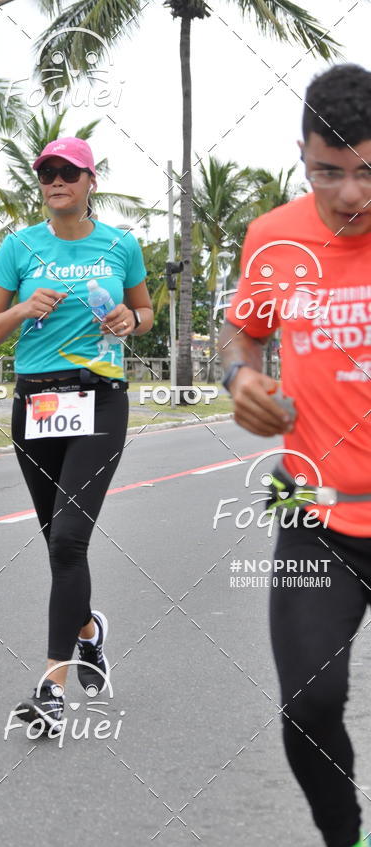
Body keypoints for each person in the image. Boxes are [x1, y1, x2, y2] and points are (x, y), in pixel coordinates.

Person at [219, 64, 371, 847]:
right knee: (309, 704)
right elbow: (241, 329)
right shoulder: (272, 237)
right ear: (303, 156)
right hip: (313, 511)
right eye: (327, 172)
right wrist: (240, 376)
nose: (350, 194)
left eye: (368, 171)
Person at [0, 137, 153, 732]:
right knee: (58, 540)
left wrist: (131, 318)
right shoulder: (18, 246)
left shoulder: (122, 245)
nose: (56, 181)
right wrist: (22, 310)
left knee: (69, 541)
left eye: (68, 172)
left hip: (100, 399)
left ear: (90, 181)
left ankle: (50, 688)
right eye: (46, 172)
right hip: (37, 403)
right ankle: (88, 630)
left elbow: (145, 314)